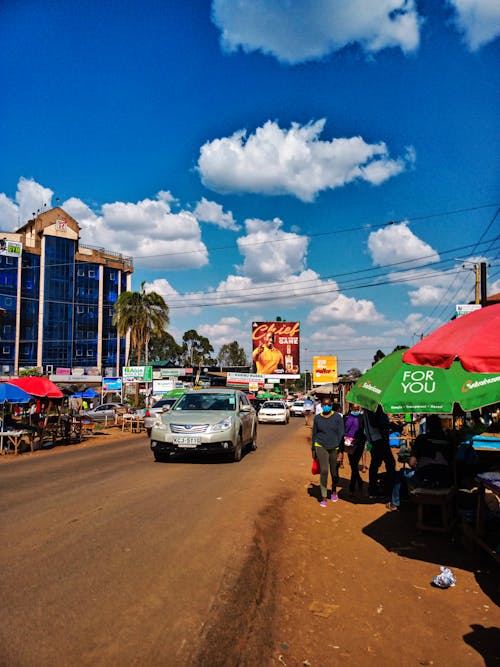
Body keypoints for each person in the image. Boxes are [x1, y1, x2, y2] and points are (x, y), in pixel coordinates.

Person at [387, 414, 453, 510]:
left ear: (428, 426)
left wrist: (413, 461)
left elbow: (412, 463)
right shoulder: (449, 440)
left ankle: (394, 504)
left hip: (424, 480)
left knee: (401, 473)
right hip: (445, 481)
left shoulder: (421, 439)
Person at [312, 397, 345, 506]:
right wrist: (313, 448)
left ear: (331, 405)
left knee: (334, 472)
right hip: (321, 445)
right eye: (324, 404)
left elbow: (341, 435)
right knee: (324, 470)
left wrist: (341, 452)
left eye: (328, 404)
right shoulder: (317, 418)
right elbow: (314, 434)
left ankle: (334, 490)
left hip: (335, 447)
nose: (326, 406)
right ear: (321, 406)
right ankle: (324, 496)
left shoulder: (337, 418)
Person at [363, 405, 396, 499]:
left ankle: (374, 488)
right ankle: (387, 489)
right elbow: (375, 423)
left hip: (376, 439)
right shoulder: (372, 406)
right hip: (378, 439)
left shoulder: (370, 406)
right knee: (389, 463)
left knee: (376, 462)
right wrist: (390, 425)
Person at [343, 404, 366, 495]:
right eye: (355, 409)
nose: (356, 411)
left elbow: (365, 430)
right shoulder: (346, 417)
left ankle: (352, 487)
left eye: (358, 409)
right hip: (349, 443)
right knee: (353, 465)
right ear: (351, 408)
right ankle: (360, 481)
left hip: (359, 443)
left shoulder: (362, 418)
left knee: (354, 464)